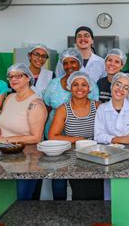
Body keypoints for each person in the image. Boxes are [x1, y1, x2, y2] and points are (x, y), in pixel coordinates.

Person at [0, 64, 48, 200]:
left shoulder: (36, 104)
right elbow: (2, 124)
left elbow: (36, 137)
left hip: (28, 160)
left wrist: (7, 140)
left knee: (22, 200)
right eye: (11, 76)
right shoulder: (9, 98)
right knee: (7, 199)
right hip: (7, 155)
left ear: (28, 78)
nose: (13, 79)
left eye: (19, 75)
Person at [48, 71, 102, 200]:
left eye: (84, 85)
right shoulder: (63, 109)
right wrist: (79, 140)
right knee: (80, 194)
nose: (79, 88)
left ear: (89, 89)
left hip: (96, 157)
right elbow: (53, 136)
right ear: (69, 88)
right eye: (75, 85)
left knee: (98, 193)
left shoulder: (98, 106)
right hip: (75, 158)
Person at [42, 48, 99, 139]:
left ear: (79, 63)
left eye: (73, 62)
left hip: (84, 136)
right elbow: (46, 107)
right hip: (55, 135)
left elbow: (94, 113)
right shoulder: (54, 84)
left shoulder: (91, 85)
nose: (69, 66)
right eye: (65, 63)